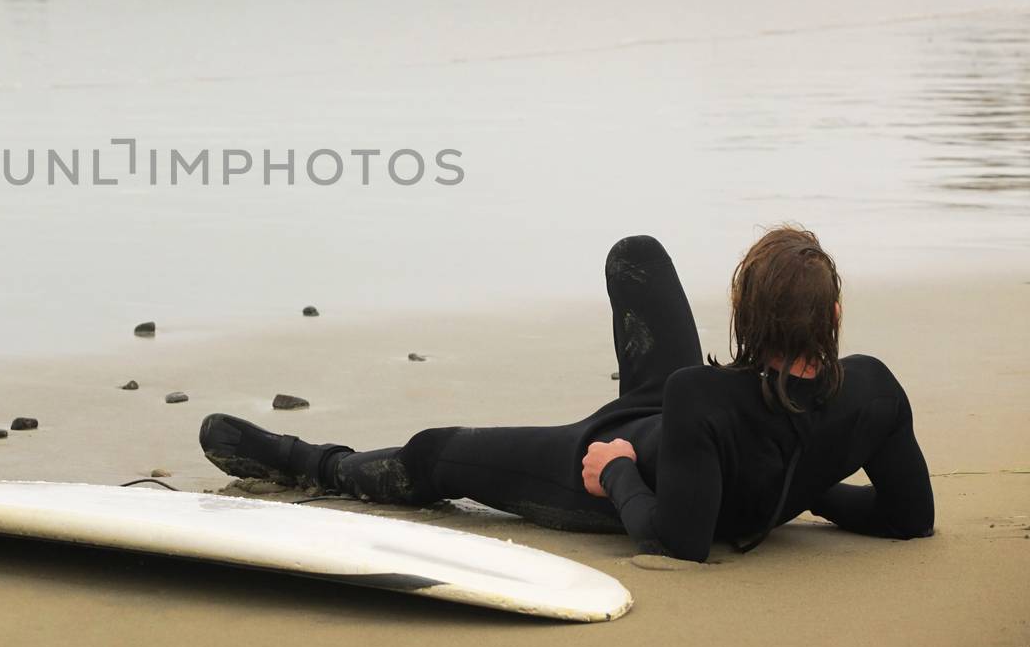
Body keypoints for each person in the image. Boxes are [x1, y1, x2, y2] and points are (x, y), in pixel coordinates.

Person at [199, 227, 934, 562]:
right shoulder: (872, 391)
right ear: (833, 317)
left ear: (745, 319)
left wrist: (613, 470)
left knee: (438, 455)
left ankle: (308, 461)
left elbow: (677, 542)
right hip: (672, 428)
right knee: (635, 257)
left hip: (600, 461)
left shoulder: (704, 398)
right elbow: (910, 517)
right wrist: (810, 489)